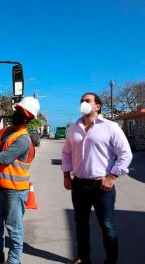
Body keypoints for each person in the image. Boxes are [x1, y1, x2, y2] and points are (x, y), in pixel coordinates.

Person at [62, 92, 133, 264]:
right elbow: (66, 153)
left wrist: (112, 176)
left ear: (97, 106)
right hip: (79, 185)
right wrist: (66, 175)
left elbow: (125, 154)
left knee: (107, 225)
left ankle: (111, 260)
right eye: (81, 101)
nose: (83, 103)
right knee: (81, 224)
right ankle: (83, 257)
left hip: (102, 187)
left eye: (87, 101)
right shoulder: (73, 127)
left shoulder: (110, 127)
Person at [0, 96, 40, 264]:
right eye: (18, 111)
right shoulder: (4, 132)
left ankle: (14, 261)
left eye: (23, 113)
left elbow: (4, 158)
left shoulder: (24, 139)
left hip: (15, 191)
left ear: (29, 119)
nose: (18, 114)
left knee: (13, 228)